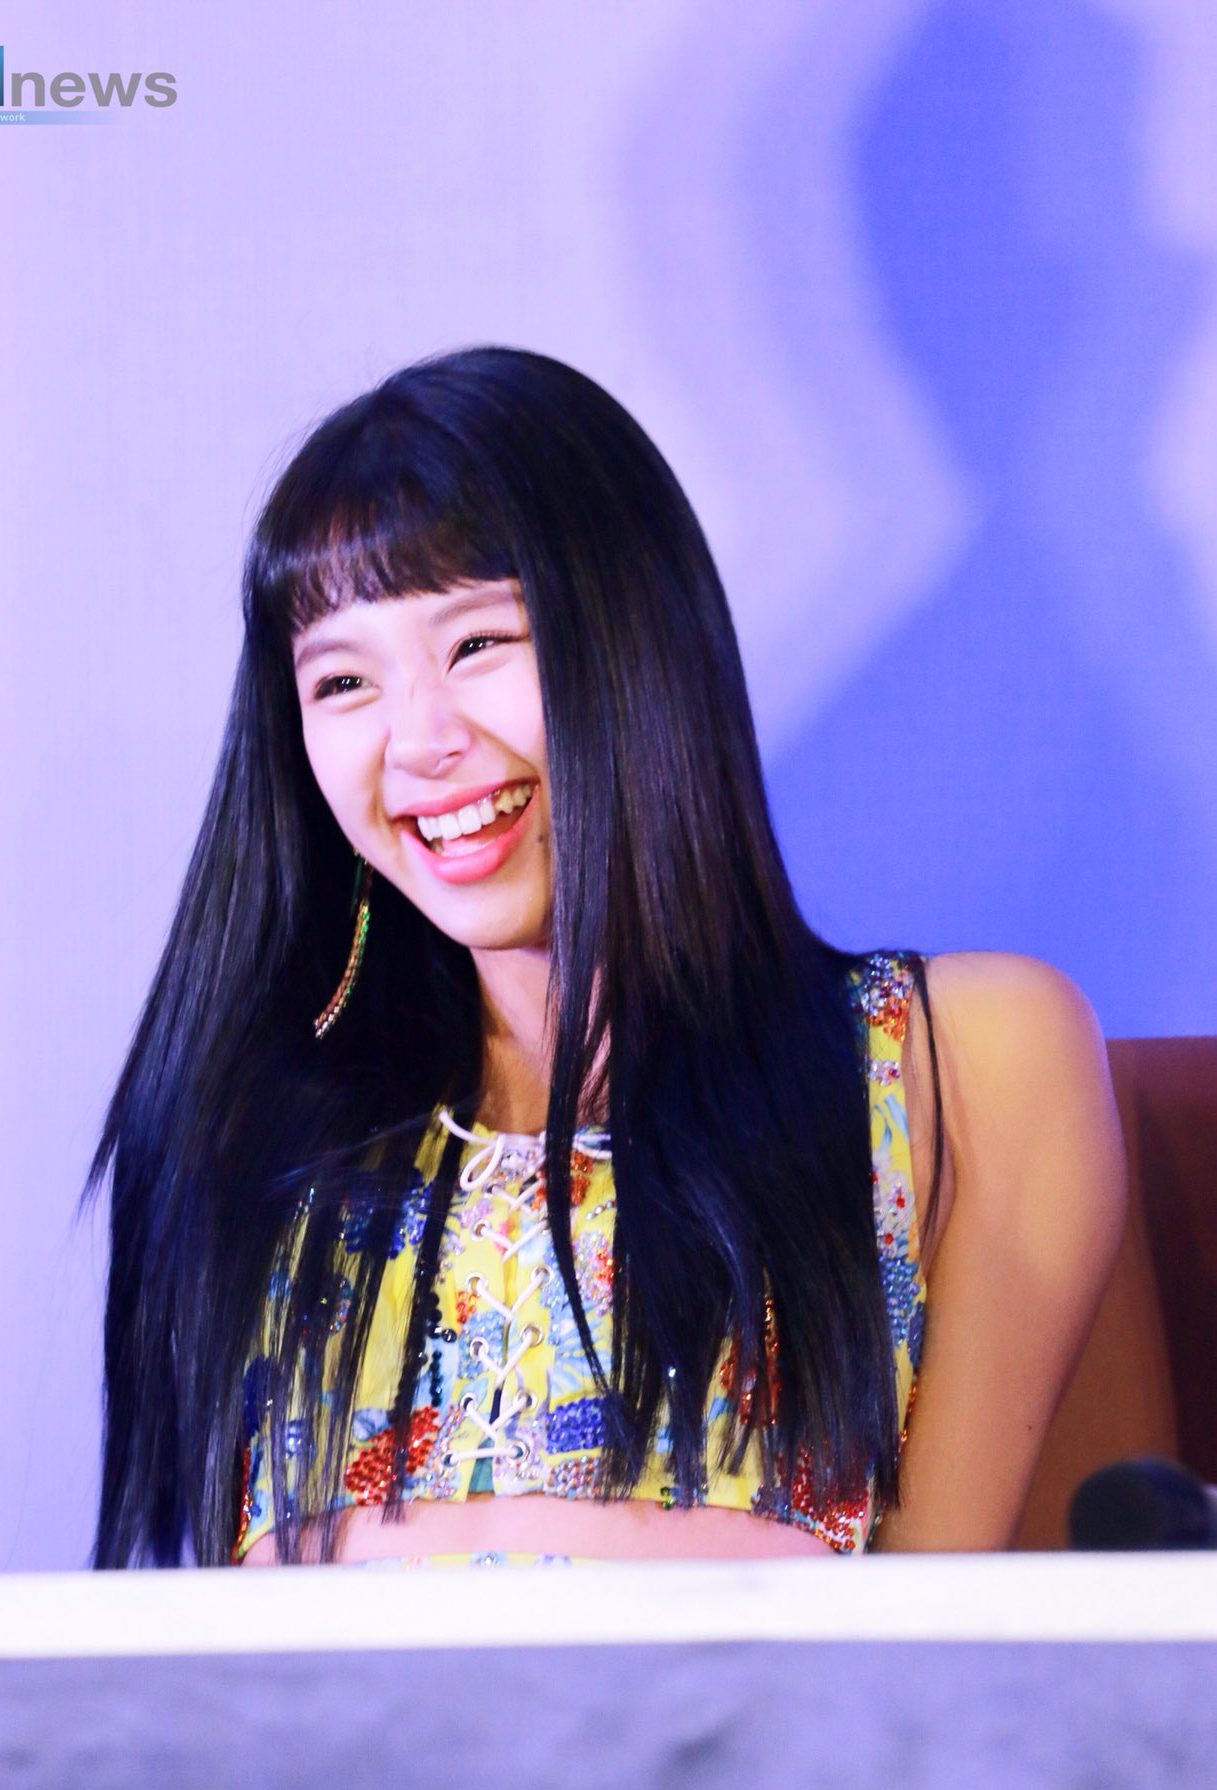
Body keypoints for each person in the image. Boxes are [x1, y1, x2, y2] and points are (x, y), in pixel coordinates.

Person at [89, 346, 1126, 1570]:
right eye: (344, 679)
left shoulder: (958, 1057)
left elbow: (926, 1631)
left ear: (635, 639)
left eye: (476, 644)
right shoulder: (250, 1133)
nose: (417, 740)